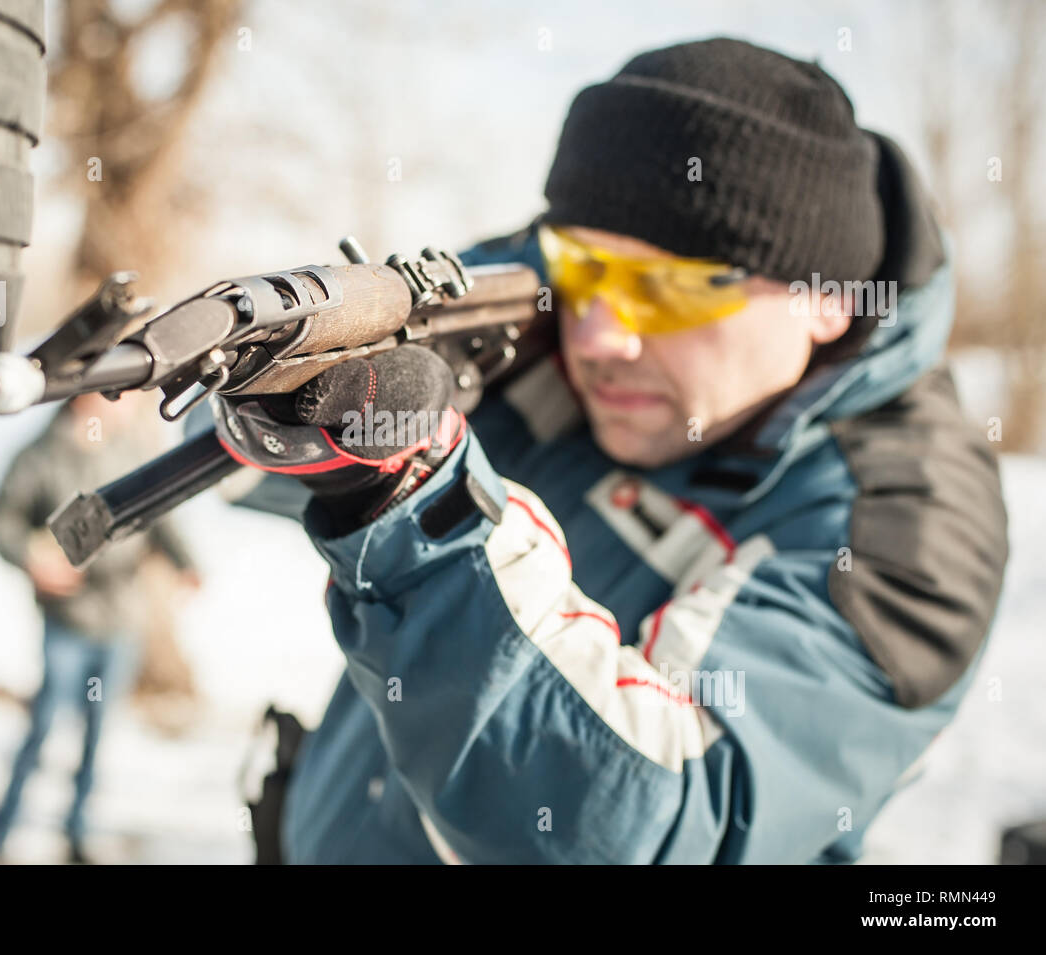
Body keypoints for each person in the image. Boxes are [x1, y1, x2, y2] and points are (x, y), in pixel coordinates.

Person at [214, 37, 1010, 864]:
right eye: (583, 271)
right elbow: (250, 472)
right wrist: (317, 359)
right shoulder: (543, 344)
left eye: (665, 290)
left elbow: (655, 824)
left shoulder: (909, 523)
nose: (598, 338)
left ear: (827, 301)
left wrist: (413, 500)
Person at [0, 392, 198, 863]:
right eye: (115, 393)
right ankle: (1, 832)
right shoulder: (39, 454)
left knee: (98, 733)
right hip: (67, 622)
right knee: (43, 726)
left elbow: (158, 514)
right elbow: (2, 520)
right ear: (84, 396)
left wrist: (187, 564)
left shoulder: (129, 452)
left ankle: (77, 834)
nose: (127, 403)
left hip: (122, 619)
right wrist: (30, 560)